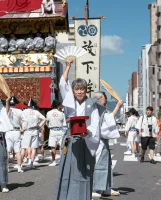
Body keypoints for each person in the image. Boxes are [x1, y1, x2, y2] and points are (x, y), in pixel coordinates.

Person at [55, 58, 105, 200]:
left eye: (82, 89)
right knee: (68, 169)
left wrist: (88, 133)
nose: (79, 92)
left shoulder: (92, 103)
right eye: (76, 89)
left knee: (84, 170)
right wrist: (68, 66)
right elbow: (62, 83)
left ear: (86, 90)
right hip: (71, 138)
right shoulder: (69, 100)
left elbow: (95, 123)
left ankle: (82, 197)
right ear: (73, 90)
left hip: (86, 140)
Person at [92, 91, 122, 198]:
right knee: (99, 164)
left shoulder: (101, 109)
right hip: (98, 141)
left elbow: (108, 118)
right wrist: (117, 107)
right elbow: (108, 120)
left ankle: (106, 188)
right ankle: (96, 188)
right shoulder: (95, 109)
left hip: (102, 141)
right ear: (99, 98)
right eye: (104, 98)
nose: (105, 100)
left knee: (107, 164)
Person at [21, 98, 46, 169]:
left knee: (24, 147)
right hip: (35, 130)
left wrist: (22, 128)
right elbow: (44, 118)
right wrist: (39, 125)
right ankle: (31, 162)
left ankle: (21, 163)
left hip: (27, 131)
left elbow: (21, 120)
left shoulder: (24, 111)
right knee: (34, 148)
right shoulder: (36, 112)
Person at [5, 96, 24, 173]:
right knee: (17, 151)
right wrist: (22, 128)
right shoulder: (20, 111)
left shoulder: (7, 110)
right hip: (17, 131)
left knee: (8, 151)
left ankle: (7, 167)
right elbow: (23, 121)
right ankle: (19, 167)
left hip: (9, 131)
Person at [46, 100, 66, 166]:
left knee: (53, 146)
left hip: (52, 130)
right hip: (61, 130)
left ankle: (53, 160)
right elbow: (64, 123)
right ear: (58, 106)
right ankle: (61, 159)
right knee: (61, 146)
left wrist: (49, 126)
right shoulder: (61, 113)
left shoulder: (48, 113)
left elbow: (47, 122)